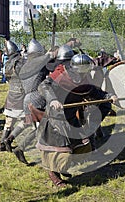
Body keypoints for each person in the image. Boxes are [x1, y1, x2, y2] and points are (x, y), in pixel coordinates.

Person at [35, 54, 117, 187]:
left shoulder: (84, 79)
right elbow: (44, 86)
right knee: (60, 152)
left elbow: (94, 92)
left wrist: (109, 96)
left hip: (72, 119)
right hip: (56, 119)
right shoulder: (62, 74)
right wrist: (53, 99)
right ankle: (53, 173)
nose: (85, 73)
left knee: (83, 148)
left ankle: (61, 168)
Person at [3, 38, 56, 164]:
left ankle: (9, 138)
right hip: (37, 98)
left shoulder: (26, 63)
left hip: (27, 99)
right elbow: (51, 67)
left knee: (27, 123)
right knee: (42, 128)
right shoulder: (39, 64)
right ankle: (21, 148)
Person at [0, 40, 26, 152]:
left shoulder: (8, 64)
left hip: (11, 94)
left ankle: (2, 143)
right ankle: (9, 139)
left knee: (9, 122)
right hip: (20, 95)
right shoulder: (19, 63)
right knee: (26, 120)